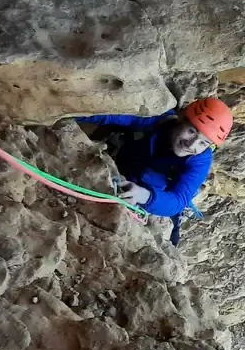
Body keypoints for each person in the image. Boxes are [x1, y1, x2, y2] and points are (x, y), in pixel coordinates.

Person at [77, 97, 233, 244]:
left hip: (151, 199)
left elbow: (178, 201)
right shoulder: (158, 121)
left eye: (203, 143)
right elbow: (110, 116)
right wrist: (65, 114)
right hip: (122, 170)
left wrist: (144, 196)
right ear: (181, 119)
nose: (192, 145)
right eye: (192, 132)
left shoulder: (200, 160)